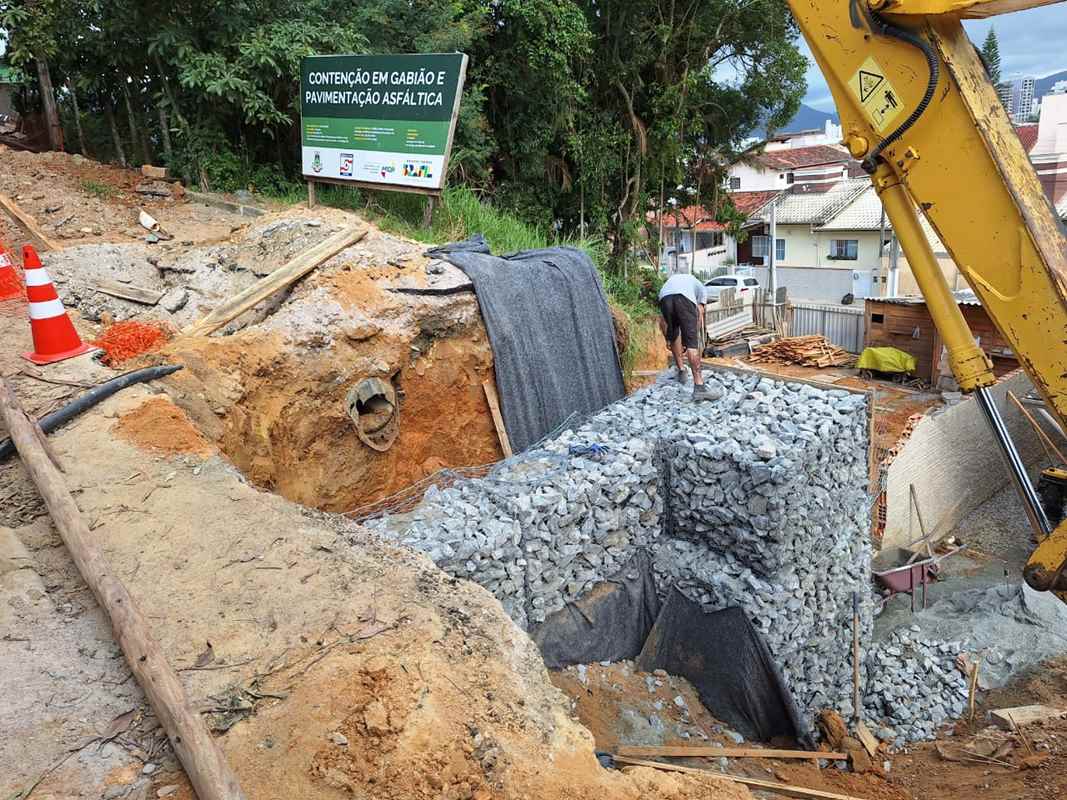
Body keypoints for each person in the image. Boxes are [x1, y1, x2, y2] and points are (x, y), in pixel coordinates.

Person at [658, 269, 716, 401]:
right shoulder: (700, 286)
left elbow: (663, 321)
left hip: (664, 298)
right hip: (683, 298)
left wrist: (669, 336)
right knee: (692, 345)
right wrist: (690, 337)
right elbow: (700, 312)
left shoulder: (671, 281)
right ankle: (699, 387)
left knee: (674, 335)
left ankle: (682, 370)